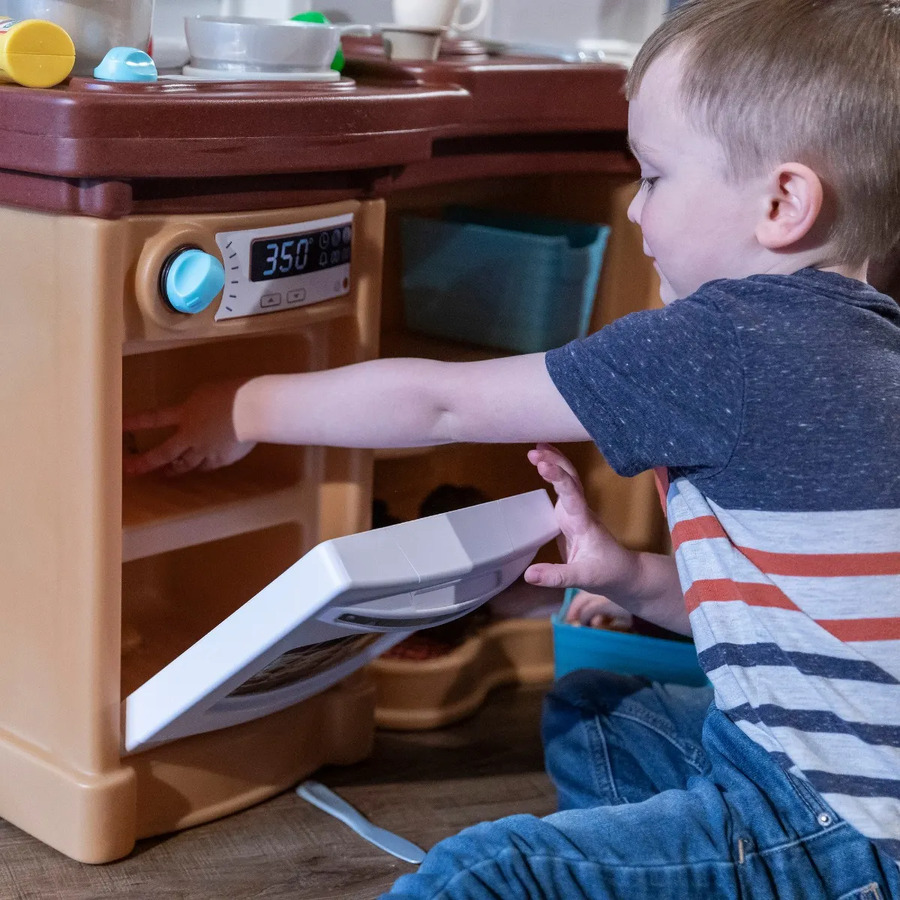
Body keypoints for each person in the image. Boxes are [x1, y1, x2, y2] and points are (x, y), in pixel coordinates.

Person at [124, 0, 900, 895]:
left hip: (836, 821)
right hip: (839, 772)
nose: (639, 210)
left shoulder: (729, 339)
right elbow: (809, 623)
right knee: (598, 712)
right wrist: (630, 576)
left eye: (654, 176)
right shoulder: (869, 350)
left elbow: (442, 404)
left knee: (489, 872)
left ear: (782, 203)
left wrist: (240, 406)